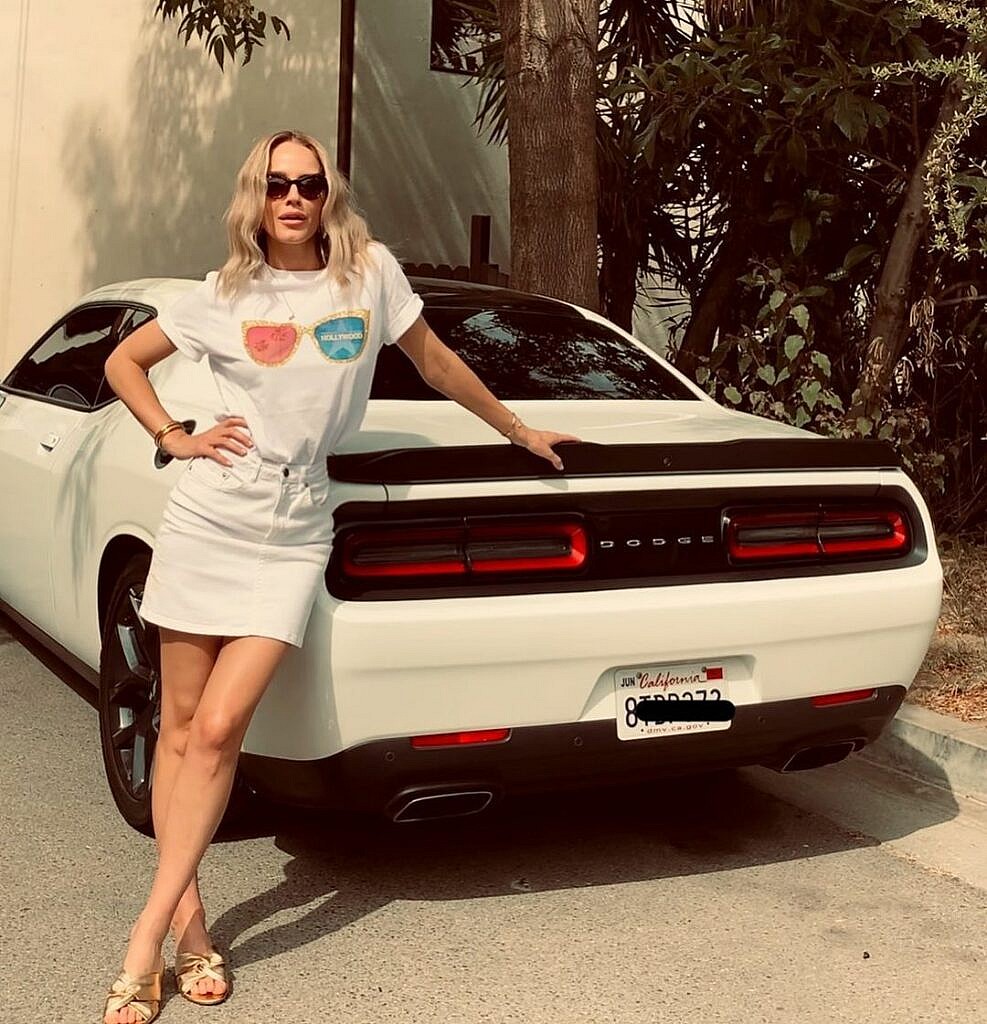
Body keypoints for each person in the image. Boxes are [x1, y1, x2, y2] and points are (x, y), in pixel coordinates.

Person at [99, 127, 579, 1024]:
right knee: (174, 730)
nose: (293, 197)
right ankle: (190, 925)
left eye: (309, 184)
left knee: (219, 731)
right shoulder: (219, 294)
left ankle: (142, 936)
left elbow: (433, 361)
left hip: (295, 526)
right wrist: (175, 436)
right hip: (210, 514)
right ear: (256, 194)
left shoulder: (370, 275)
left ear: (328, 196)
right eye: (277, 183)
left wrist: (517, 431)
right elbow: (121, 362)